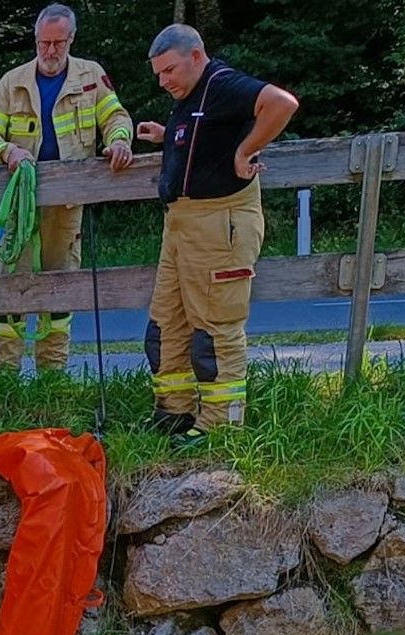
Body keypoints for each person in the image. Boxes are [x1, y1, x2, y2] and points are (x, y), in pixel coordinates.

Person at [135, 25, 298, 445]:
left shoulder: (222, 84)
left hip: (218, 224)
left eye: (169, 70)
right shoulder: (191, 98)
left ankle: (221, 426)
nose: (163, 80)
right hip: (181, 225)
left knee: (214, 331)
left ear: (196, 55)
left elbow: (281, 104)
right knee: (166, 324)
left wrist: (246, 151)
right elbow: (204, 137)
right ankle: (174, 413)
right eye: (158, 74)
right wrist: (166, 135)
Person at [0, 4, 134, 374]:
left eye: (57, 43)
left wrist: (119, 142)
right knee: (10, 289)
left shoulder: (91, 76)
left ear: (71, 39)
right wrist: (7, 150)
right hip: (18, 204)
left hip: (67, 205)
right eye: (42, 43)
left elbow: (116, 117)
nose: (49, 51)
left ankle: (52, 377)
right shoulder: (11, 81)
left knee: (61, 289)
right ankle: (3, 379)